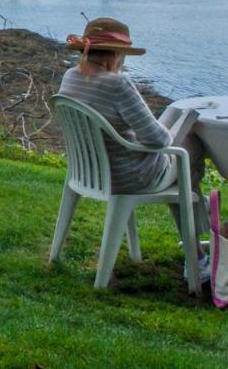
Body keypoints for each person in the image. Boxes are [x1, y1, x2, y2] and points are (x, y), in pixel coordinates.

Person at [58, 17, 208, 276]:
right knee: (190, 146)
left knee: (173, 117)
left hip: (89, 172)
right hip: (129, 176)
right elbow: (159, 141)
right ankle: (197, 251)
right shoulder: (117, 84)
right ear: (115, 55)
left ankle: (196, 221)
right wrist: (163, 134)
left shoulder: (71, 77)